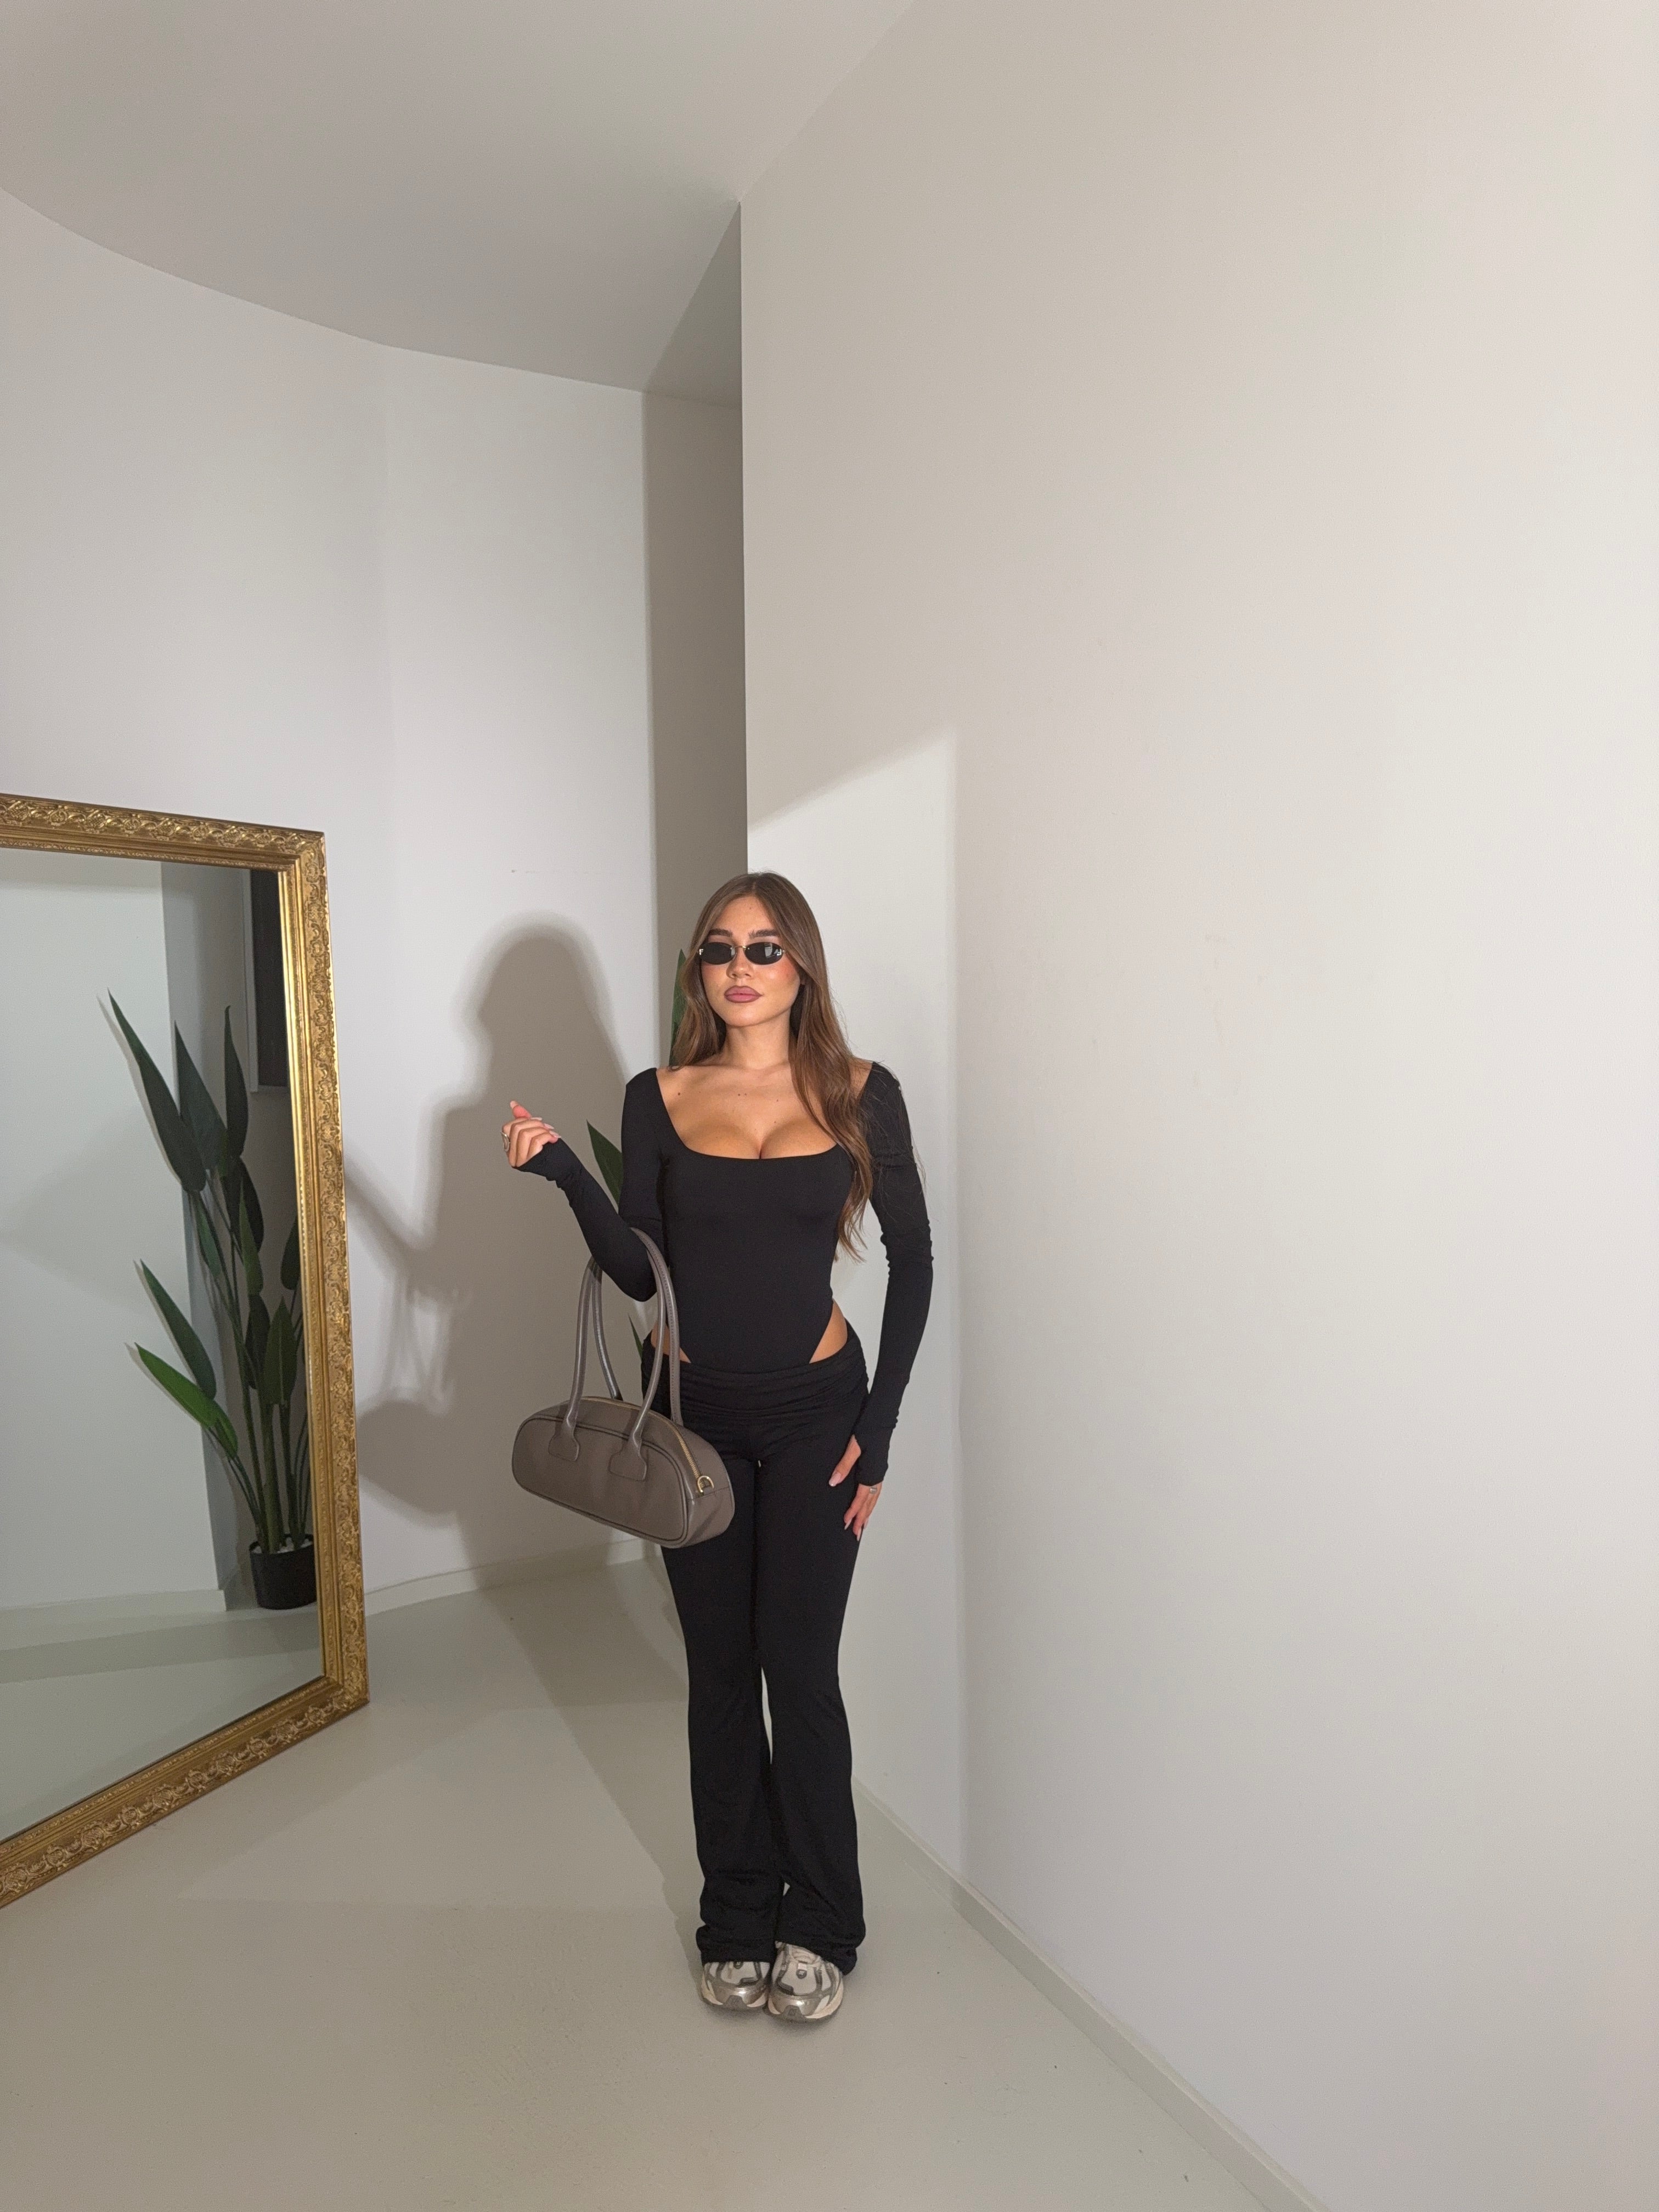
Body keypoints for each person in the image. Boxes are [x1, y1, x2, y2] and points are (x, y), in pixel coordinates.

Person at [501, 872, 932, 2023]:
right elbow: (643, 1274)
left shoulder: (862, 1092)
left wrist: (877, 1435)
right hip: (692, 1423)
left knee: (801, 1670)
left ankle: (823, 1921)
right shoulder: (658, 1096)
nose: (739, 970)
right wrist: (566, 1175)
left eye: (764, 949)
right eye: (719, 951)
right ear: (699, 971)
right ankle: (737, 1915)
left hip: (817, 1419)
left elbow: (916, 1261)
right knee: (720, 1676)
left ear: (802, 966)